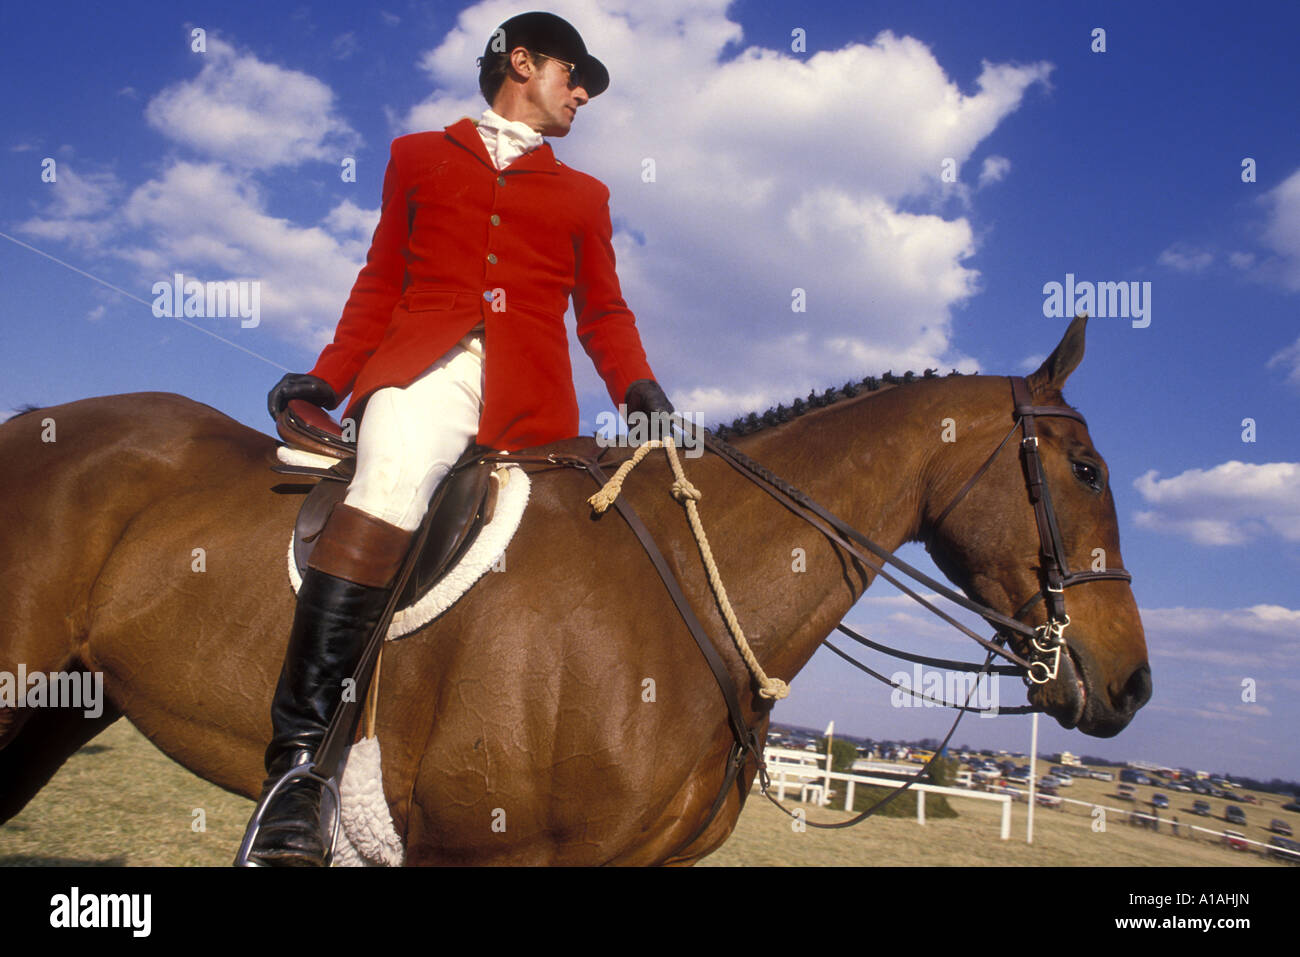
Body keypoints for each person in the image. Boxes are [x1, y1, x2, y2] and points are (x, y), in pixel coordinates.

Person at [244, 11, 673, 867]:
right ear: (524, 62)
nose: (582, 93)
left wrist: (642, 393)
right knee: (392, 480)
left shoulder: (586, 196)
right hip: (425, 371)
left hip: (534, 403)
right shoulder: (416, 156)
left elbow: (604, 312)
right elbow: (379, 279)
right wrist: (333, 375)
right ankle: (297, 765)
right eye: (573, 75)